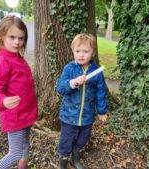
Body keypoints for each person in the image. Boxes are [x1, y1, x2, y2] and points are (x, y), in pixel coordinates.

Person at [0, 15, 38, 169]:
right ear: (1, 36)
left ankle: (23, 166)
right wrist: (2, 101)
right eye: (12, 37)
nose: (17, 42)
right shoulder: (2, 59)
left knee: (25, 144)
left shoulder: (16, 56)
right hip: (14, 115)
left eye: (21, 38)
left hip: (26, 112)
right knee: (15, 153)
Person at [55, 33, 108, 169]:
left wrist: (102, 111)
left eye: (86, 51)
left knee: (82, 139)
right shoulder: (69, 68)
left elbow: (101, 92)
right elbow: (60, 87)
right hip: (69, 116)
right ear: (73, 51)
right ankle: (63, 163)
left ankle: (75, 157)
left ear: (93, 53)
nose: (81, 55)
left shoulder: (96, 71)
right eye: (78, 51)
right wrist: (73, 83)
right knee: (66, 141)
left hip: (87, 116)